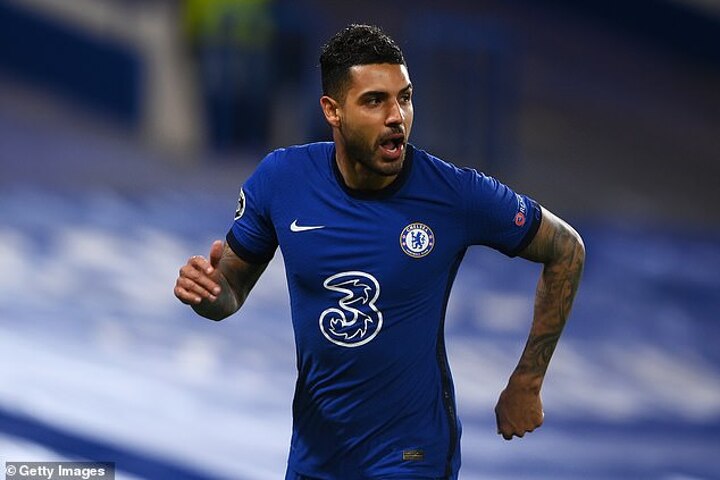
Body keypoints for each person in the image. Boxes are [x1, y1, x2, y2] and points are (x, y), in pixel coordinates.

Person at [174, 24, 585, 480]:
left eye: (404, 98)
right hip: (316, 456)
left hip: (411, 457)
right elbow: (230, 289)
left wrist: (527, 381)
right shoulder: (281, 179)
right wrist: (209, 295)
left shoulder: (454, 194)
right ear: (332, 110)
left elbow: (566, 248)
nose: (396, 116)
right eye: (374, 101)